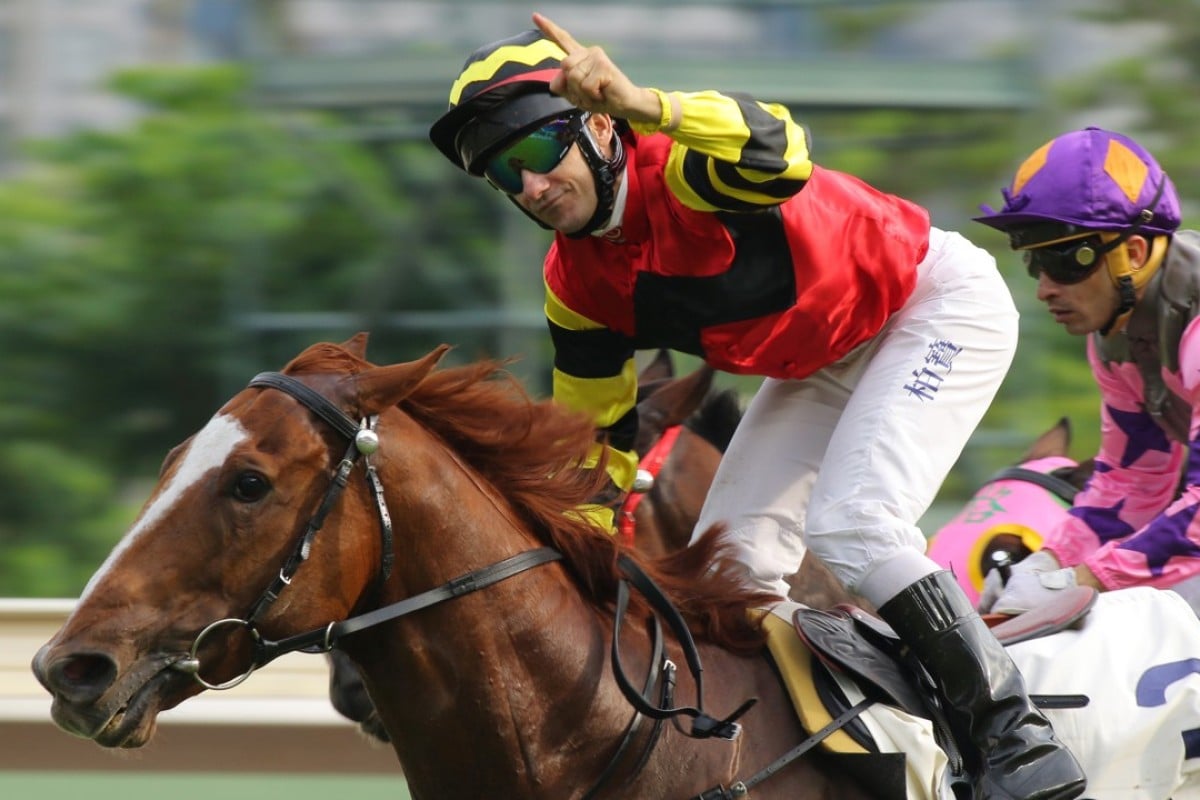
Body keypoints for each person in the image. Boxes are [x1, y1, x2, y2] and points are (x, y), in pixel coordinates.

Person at [428, 13, 1086, 799]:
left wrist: (649, 103)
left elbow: (780, 147)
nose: (532, 187)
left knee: (853, 525)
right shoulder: (574, 285)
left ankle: (1014, 736)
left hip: (930, 307)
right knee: (727, 573)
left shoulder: (681, 168)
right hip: (823, 357)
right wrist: (583, 562)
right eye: (506, 175)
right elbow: (593, 448)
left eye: (538, 153)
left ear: (600, 126)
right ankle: (809, 763)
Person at [974, 127, 1200, 616]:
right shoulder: (1117, 336)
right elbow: (1132, 483)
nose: (1045, 289)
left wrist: (1084, 579)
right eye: (1036, 263)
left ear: (1134, 253)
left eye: (1066, 261)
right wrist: (1045, 564)